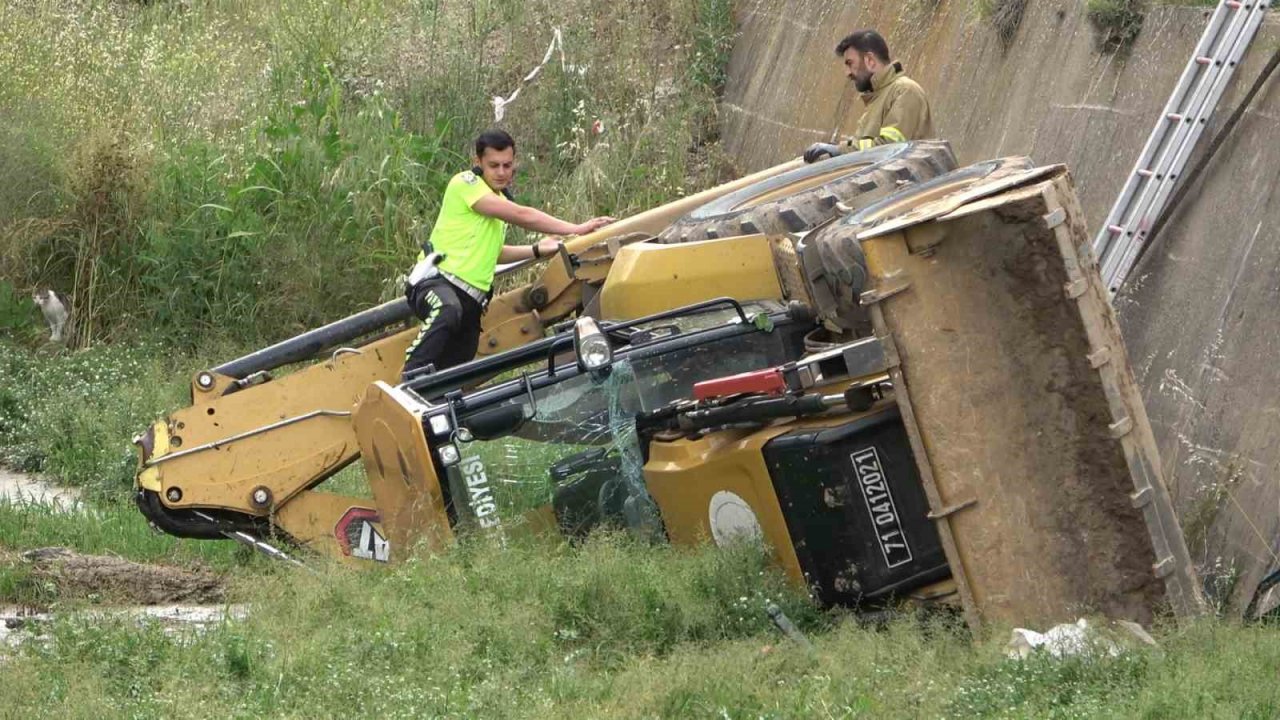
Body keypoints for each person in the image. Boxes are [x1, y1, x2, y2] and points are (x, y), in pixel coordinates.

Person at [402, 129, 614, 379]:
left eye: (507, 165)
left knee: (458, 370)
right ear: (477, 162)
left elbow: (494, 252)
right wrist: (576, 228)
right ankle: (409, 378)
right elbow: (521, 215)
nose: (502, 172)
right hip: (436, 283)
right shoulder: (466, 184)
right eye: (494, 165)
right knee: (446, 311)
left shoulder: (497, 199)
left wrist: (535, 250)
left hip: (471, 302)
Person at [803, 30, 936, 163]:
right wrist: (838, 149)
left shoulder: (905, 90)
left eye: (850, 63)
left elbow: (889, 148)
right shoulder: (879, 97)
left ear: (870, 61)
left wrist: (840, 151)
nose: (847, 73)